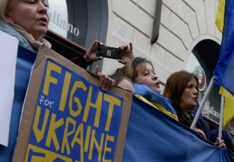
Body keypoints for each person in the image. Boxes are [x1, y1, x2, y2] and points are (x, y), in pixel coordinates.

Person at [0, 0, 132, 90]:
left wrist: (91, 81)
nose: (42, 9)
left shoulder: (40, 55)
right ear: (7, 13)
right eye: (31, 1)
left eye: (46, 5)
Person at [163, 70, 210, 139]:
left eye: (196, 88)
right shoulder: (166, 115)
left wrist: (216, 146)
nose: (196, 92)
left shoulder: (201, 125)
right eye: (190, 87)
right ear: (177, 89)